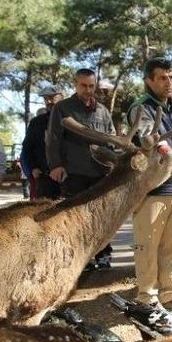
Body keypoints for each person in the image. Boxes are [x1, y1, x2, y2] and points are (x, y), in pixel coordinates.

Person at [127, 58, 172, 311]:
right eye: (162, 78)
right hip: (153, 187)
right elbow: (149, 137)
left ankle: (170, 294)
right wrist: (169, 154)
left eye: (170, 76)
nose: (169, 82)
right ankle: (146, 297)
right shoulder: (140, 107)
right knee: (147, 244)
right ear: (149, 81)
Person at [46, 68, 116, 269]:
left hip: (100, 173)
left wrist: (113, 162)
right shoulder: (63, 108)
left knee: (102, 216)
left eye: (91, 86)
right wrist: (56, 165)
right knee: (76, 218)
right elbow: (53, 139)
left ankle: (103, 255)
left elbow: (111, 136)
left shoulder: (102, 111)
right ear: (75, 84)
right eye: (83, 85)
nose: (88, 89)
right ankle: (79, 258)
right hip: (75, 172)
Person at [21, 85, 64, 200]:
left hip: (69, 178)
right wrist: (33, 167)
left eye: (52, 97)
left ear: (62, 97)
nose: (48, 101)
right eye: (45, 98)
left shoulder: (71, 120)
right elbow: (27, 148)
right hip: (45, 178)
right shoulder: (36, 123)